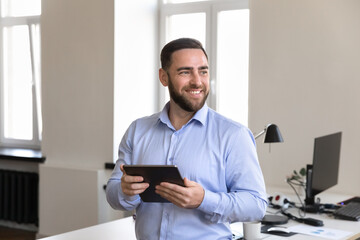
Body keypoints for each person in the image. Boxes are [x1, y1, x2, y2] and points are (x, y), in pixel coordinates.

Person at [106, 38, 267, 240]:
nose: (197, 81)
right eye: (185, 72)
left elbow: (256, 205)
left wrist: (204, 200)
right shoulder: (137, 130)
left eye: (203, 71)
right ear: (163, 77)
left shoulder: (234, 135)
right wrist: (125, 190)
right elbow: (113, 194)